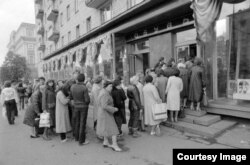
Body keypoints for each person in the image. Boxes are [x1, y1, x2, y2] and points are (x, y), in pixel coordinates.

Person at [96, 80, 122, 152]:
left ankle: (106, 142)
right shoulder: (105, 93)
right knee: (114, 129)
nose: (111, 88)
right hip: (105, 113)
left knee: (105, 128)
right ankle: (114, 145)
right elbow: (104, 106)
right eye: (110, 86)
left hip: (103, 113)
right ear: (106, 86)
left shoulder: (103, 91)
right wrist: (113, 109)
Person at [70, 73, 90, 146]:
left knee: (77, 122)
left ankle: (76, 137)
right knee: (82, 123)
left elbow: (71, 97)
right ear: (84, 79)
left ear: (77, 79)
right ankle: (81, 141)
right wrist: (87, 103)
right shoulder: (84, 87)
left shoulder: (72, 86)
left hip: (76, 106)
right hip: (83, 107)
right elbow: (87, 100)